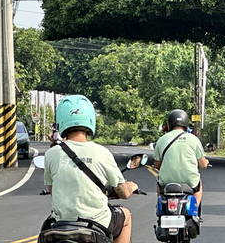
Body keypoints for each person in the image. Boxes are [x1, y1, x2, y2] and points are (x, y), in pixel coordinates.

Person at [43, 95, 139, 243]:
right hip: (97, 223)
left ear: (61, 121)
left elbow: (51, 189)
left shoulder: (51, 154)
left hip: (61, 223)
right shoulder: (102, 152)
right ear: (90, 120)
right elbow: (123, 193)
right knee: (125, 215)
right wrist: (132, 186)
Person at [153, 109, 209, 204]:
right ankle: (195, 207)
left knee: (159, 182)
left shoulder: (161, 140)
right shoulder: (194, 139)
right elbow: (203, 165)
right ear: (186, 123)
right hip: (189, 181)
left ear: (169, 124)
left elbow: (157, 166)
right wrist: (205, 162)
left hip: (166, 182)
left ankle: (161, 206)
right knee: (198, 184)